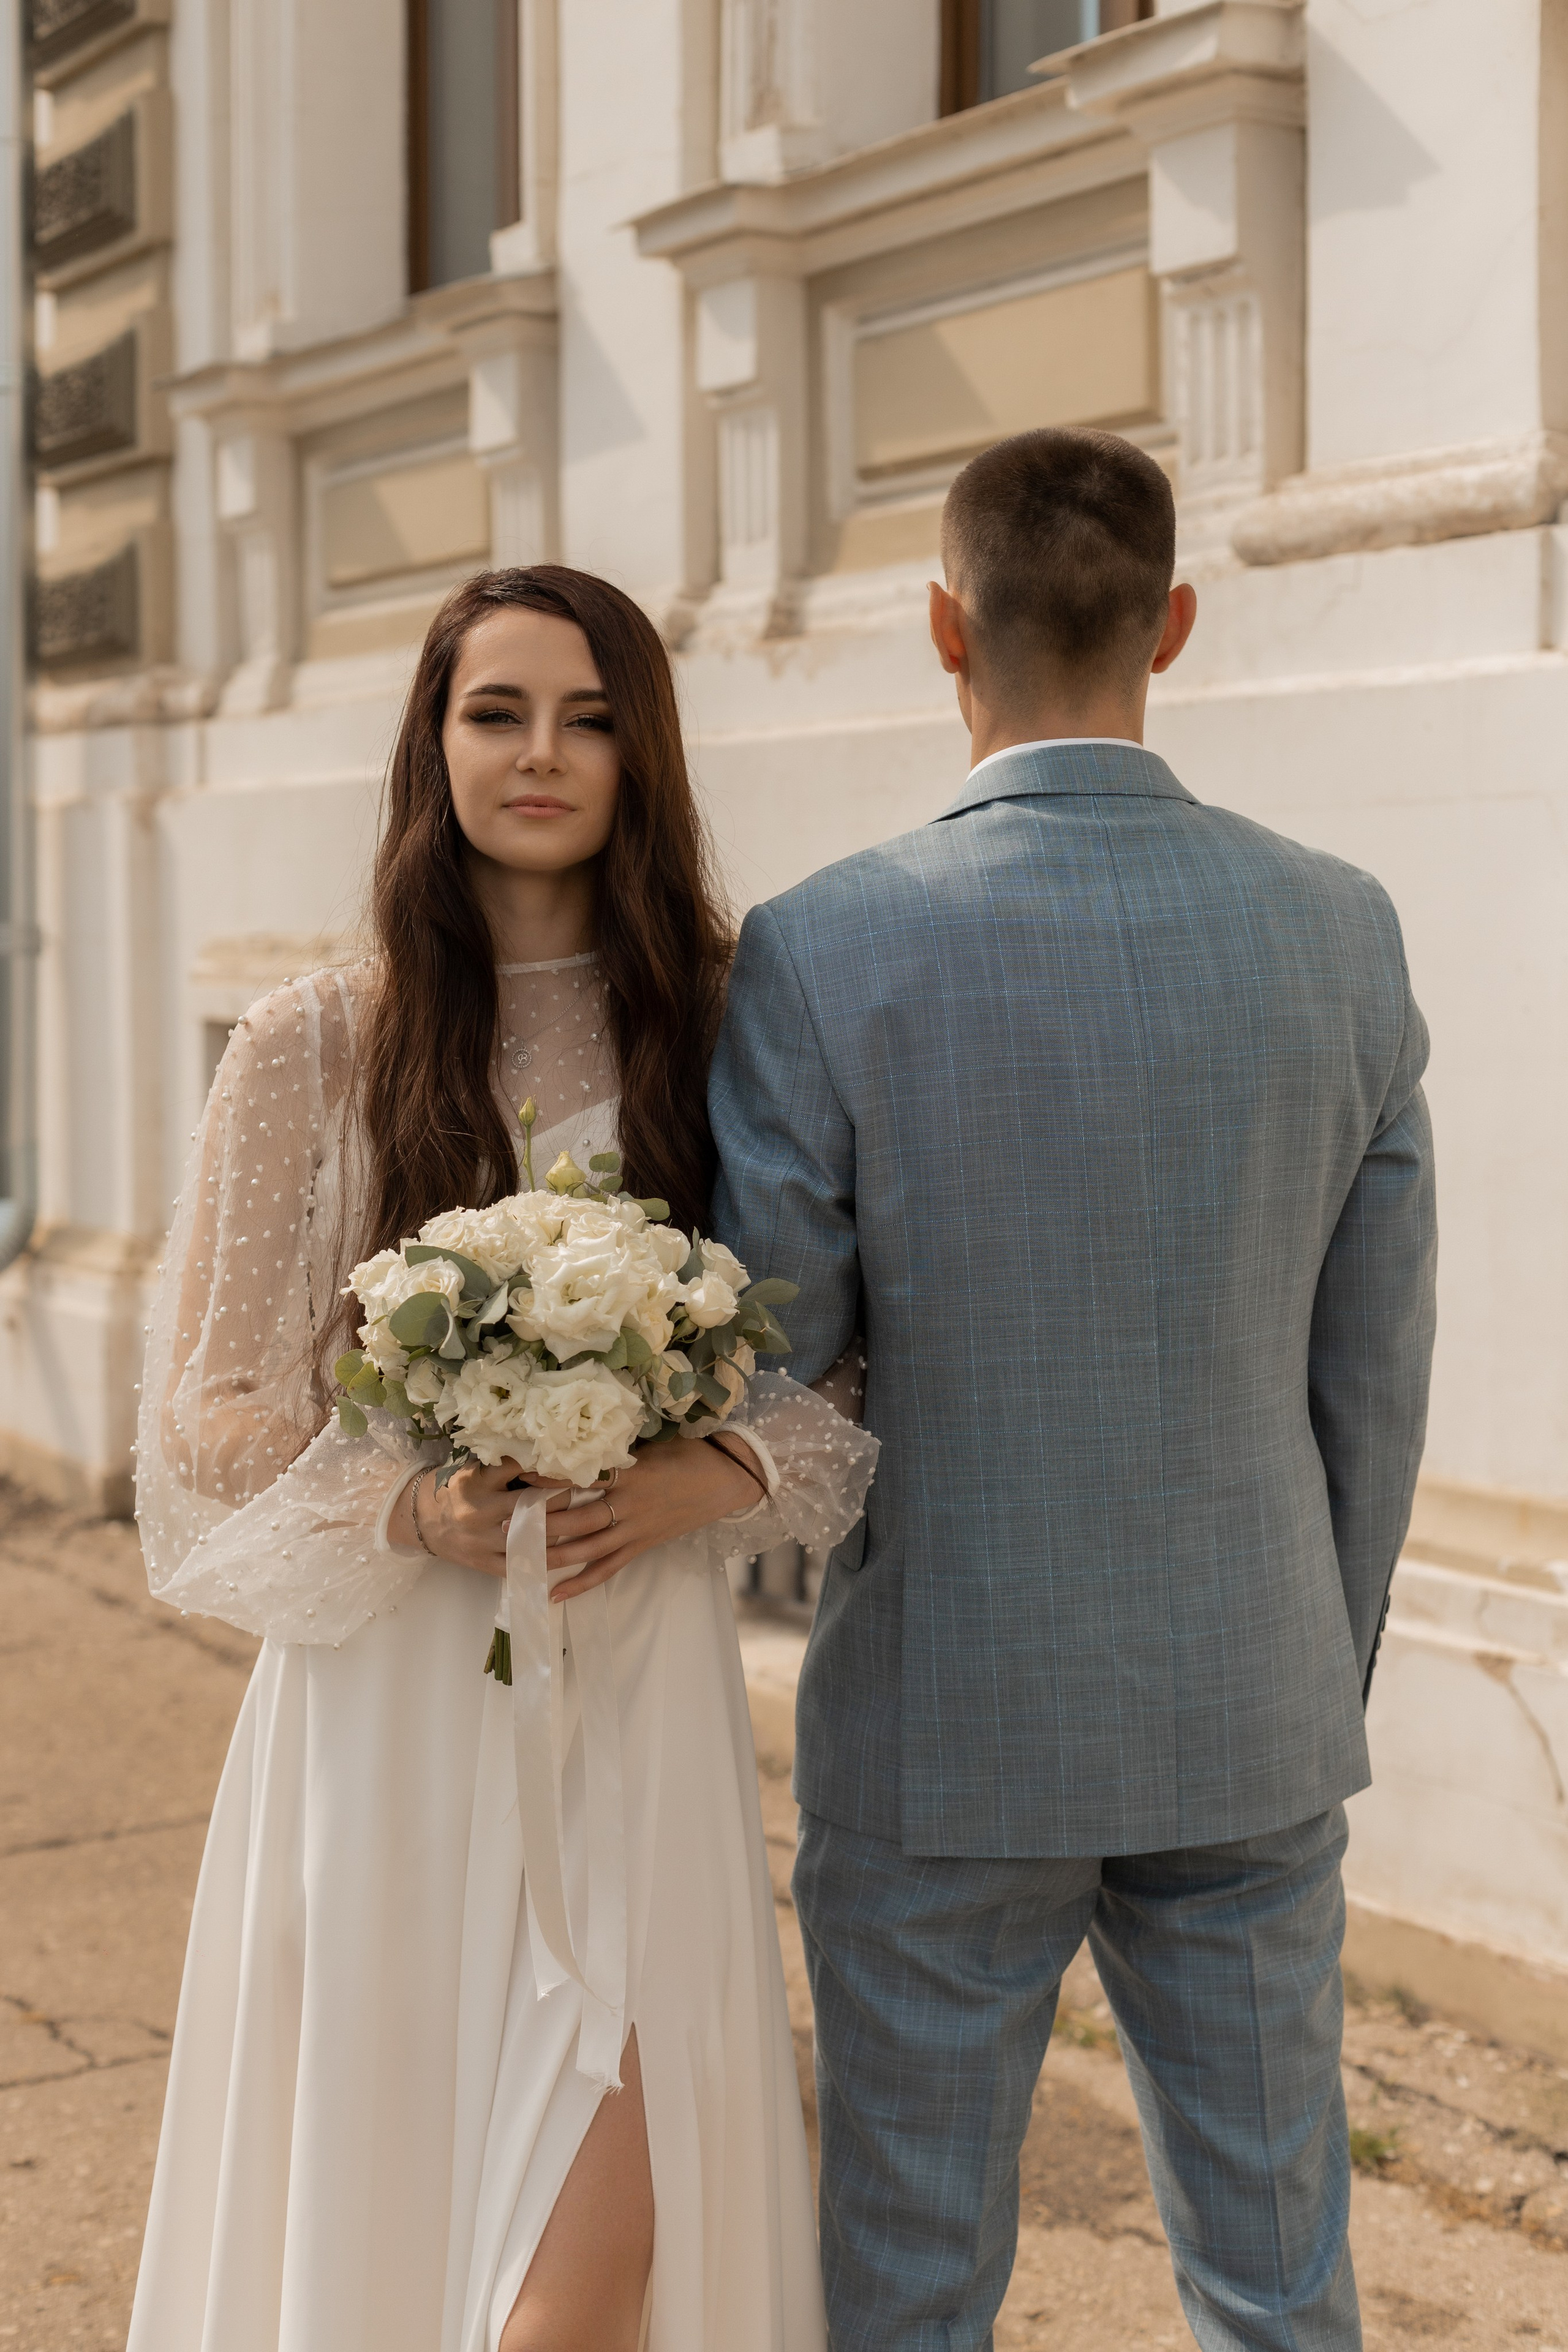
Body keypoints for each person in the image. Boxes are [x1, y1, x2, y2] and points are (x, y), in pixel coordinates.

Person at [710, 426, 1438, 2350]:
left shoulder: (824, 945)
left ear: (940, 624)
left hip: (946, 1718)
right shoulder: (1341, 928)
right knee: (1282, 2284)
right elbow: (1375, 1369)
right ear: (1174, 622)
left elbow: (774, 1367)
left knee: (912, 2281)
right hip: (1250, 1696)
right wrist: (1312, 1649)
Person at [128, 565, 875, 2352]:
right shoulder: (321, 1036)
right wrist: (415, 1493)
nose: (543, 752)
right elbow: (210, 1404)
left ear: (643, 754)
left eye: (592, 717)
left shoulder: (721, 1019)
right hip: (392, 1702)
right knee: (398, 2209)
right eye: (498, 711)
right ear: (434, 740)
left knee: (605, 2246)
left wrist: (711, 1475)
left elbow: (840, 1362)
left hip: (632, 1686)